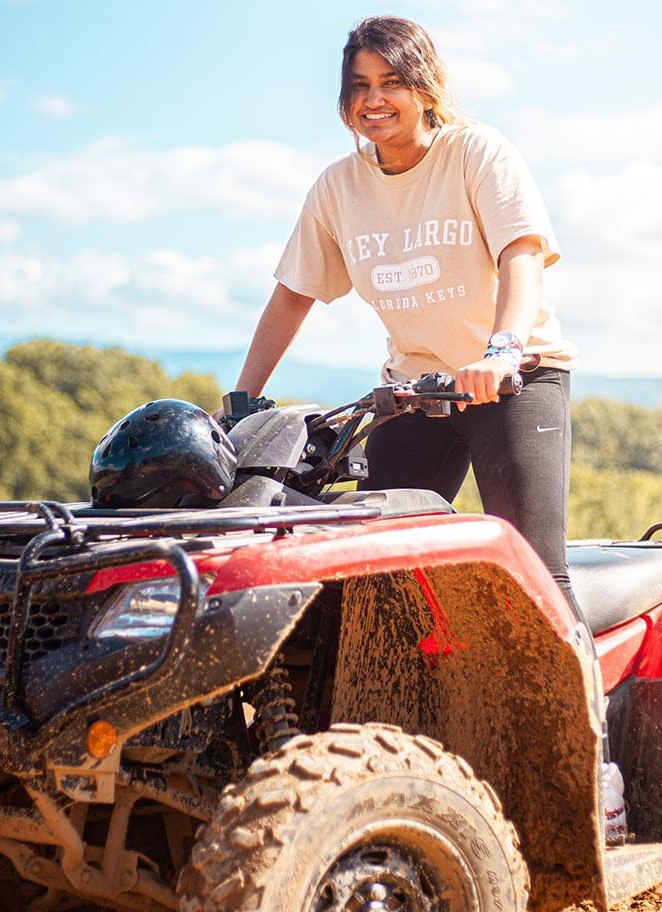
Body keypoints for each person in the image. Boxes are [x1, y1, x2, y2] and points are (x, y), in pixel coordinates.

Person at [233, 14, 582, 621]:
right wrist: (239, 402)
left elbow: (520, 253)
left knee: (534, 570)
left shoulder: (475, 151)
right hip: (416, 393)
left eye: (389, 81)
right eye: (359, 86)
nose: (373, 100)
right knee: (375, 575)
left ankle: (586, 714)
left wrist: (502, 350)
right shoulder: (338, 187)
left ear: (425, 89)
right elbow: (293, 295)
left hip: (513, 379)